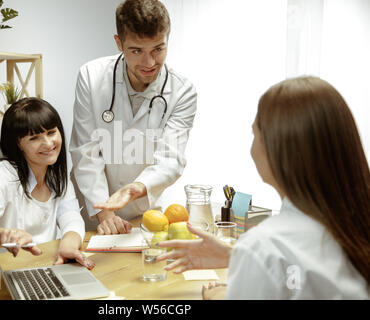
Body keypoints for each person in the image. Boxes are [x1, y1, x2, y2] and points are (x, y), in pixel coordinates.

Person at [157, 76, 370, 299]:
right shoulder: (356, 225)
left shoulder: (265, 246)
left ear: (278, 151)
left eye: (254, 133)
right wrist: (237, 257)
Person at [70, 0, 197, 235]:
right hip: (95, 209)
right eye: (136, 51)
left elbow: (171, 158)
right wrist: (105, 213)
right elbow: (85, 152)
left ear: (168, 39)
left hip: (144, 211)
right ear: (119, 43)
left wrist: (134, 189)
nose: (149, 63)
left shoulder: (182, 91)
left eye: (158, 49)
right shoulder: (91, 76)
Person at [0, 97, 94, 270]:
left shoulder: (58, 177)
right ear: (18, 143)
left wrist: (68, 245)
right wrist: (4, 235)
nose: (48, 143)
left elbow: (72, 219)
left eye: (51, 132)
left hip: (35, 270)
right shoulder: (0, 175)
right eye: (35, 138)